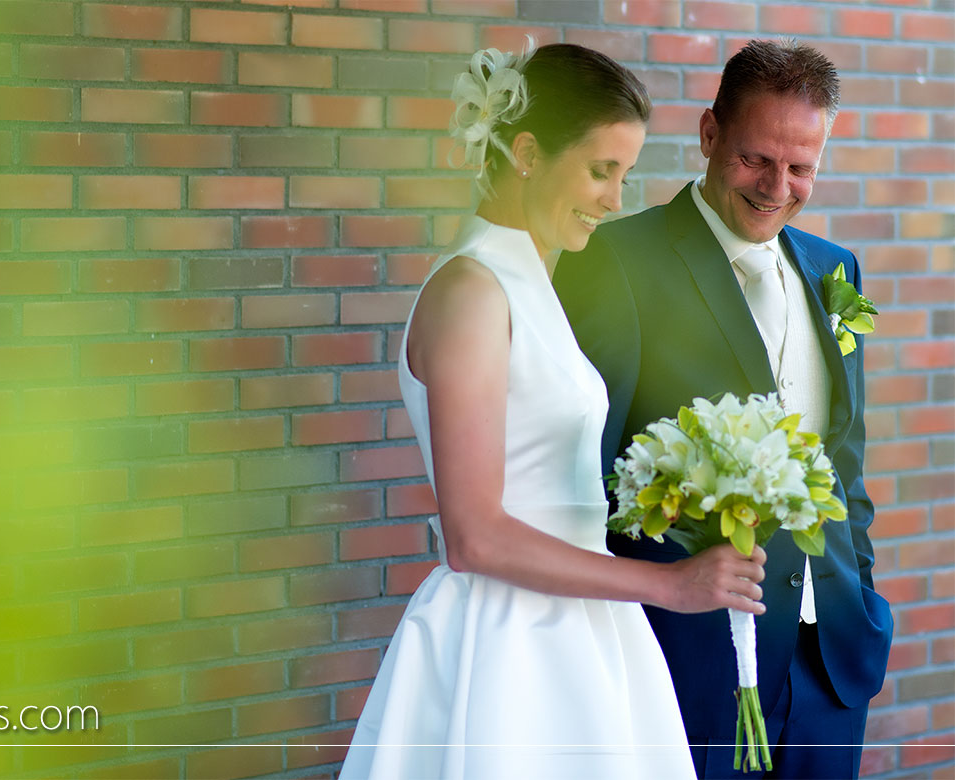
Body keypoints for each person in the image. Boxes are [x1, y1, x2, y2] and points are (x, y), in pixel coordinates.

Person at [340, 43, 768, 780]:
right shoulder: (473, 290)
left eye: (625, 176)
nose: (614, 198)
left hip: (584, 629)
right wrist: (670, 585)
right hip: (510, 646)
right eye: (602, 171)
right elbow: (473, 537)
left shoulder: (532, 278)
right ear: (529, 153)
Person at [554, 39, 894, 779]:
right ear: (709, 135)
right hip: (688, 666)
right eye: (755, 159)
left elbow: (844, 460)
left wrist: (862, 591)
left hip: (829, 666)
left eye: (802, 167)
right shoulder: (614, 261)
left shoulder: (836, 270)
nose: (778, 186)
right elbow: (585, 482)